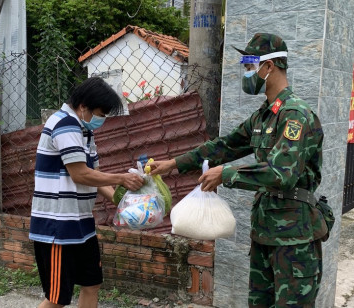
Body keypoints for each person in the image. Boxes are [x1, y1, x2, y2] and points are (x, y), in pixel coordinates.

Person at [147, 33, 328, 308]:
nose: (246, 74)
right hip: (265, 233)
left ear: (269, 67)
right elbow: (225, 147)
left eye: (249, 66)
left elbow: (282, 174)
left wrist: (226, 174)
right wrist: (173, 164)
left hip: (295, 239)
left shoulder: (295, 116)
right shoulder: (264, 115)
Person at [29, 77, 144, 308]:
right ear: (83, 106)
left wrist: (122, 203)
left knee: (92, 284)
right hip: (58, 227)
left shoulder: (84, 132)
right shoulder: (65, 125)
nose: (101, 120)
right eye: (100, 114)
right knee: (57, 298)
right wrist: (122, 178)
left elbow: (95, 176)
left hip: (81, 224)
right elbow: (80, 174)